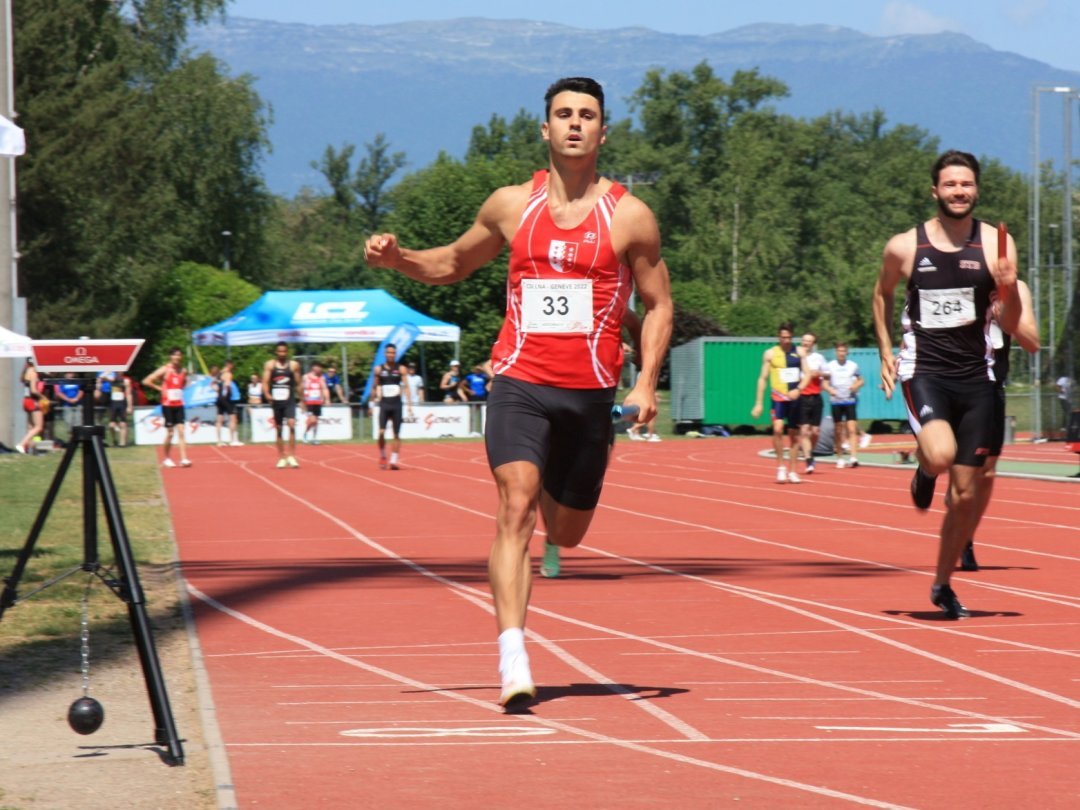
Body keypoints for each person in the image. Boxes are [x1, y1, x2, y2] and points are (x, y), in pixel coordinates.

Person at [364, 76, 673, 710]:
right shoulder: (510, 204)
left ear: (603, 131)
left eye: (588, 115)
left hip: (589, 395)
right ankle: (513, 654)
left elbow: (660, 304)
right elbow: (453, 262)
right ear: (545, 129)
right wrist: (399, 260)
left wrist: (644, 381)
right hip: (520, 381)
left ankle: (560, 529)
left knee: (567, 530)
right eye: (564, 114)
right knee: (516, 502)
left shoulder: (631, 215)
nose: (575, 124)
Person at [872, 149, 1021, 619]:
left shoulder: (998, 246)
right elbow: (881, 294)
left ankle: (941, 584)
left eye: (967, 184)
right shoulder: (905, 246)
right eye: (951, 184)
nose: (960, 192)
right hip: (926, 372)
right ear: (934, 190)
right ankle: (923, 467)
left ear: (977, 190)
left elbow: (1012, 322)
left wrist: (1010, 287)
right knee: (937, 454)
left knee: (964, 496)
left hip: (978, 378)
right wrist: (883, 350)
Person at [963, 279, 1039, 570]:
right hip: (954, 380)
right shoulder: (959, 276)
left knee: (987, 470)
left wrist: (1007, 317)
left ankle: (965, 539)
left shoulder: (1017, 289)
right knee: (950, 459)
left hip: (992, 385)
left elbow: (1032, 342)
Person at [751, 322, 809, 483]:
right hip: (778, 397)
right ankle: (780, 467)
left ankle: (792, 470)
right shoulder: (770, 354)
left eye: (789, 337)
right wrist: (758, 403)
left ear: (792, 337)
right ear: (779, 337)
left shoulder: (800, 352)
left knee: (793, 435)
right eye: (783, 337)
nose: (786, 340)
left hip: (794, 399)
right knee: (777, 429)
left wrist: (799, 388)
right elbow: (762, 378)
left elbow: (808, 374)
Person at [142, 347, 193, 468]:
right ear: (170, 356)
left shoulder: (183, 370)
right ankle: (167, 458)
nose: (177, 357)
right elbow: (146, 381)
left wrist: (179, 389)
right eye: (175, 355)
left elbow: (184, 383)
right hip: (168, 405)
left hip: (179, 404)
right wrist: (160, 389)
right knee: (170, 433)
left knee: (181, 431)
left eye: (179, 355)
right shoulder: (165, 369)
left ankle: (184, 459)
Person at [822, 342, 864, 468]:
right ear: (836, 352)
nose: (841, 353)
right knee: (838, 429)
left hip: (850, 400)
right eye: (839, 351)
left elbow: (861, 380)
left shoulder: (853, 366)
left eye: (843, 351)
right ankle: (839, 457)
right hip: (836, 401)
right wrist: (830, 390)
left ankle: (854, 457)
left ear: (847, 352)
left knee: (851, 428)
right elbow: (824, 383)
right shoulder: (830, 366)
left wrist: (855, 386)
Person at [372, 343, 413, 469]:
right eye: (389, 352)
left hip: (396, 404)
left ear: (396, 354)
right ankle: (383, 455)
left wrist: (409, 404)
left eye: (393, 353)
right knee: (381, 432)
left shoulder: (401, 369)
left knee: (396, 434)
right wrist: (371, 403)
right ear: (385, 354)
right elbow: (374, 386)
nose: (391, 355)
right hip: (384, 404)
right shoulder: (379, 369)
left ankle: (394, 460)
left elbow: (406, 387)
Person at [262, 341, 301, 468]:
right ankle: (282, 457)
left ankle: (292, 456)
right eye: (280, 351)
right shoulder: (270, 365)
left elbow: (299, 383)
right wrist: (267, 395)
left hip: (289, 400)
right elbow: (265, 382)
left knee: (291, 425)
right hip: (277, 401)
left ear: (287, 352)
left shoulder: (293, 365)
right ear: (276, 352)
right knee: (279, 429)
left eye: (284, 351)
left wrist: (302, 398)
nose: (282, 354)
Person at [795, 332, 826, 473]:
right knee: (804, 430)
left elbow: (827, 373)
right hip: (802, 396)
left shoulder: (818, 358)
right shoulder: (795, 356)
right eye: (804, 340)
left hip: (816, 396)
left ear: (813, 344)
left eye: (809, 341)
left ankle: (810, 452)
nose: (806, 343)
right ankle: (808, 459)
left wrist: (818, 373)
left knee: (815, 431)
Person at [16, 360, 46, 454]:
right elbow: (33, 390)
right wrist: (43, 397)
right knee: (38, 427)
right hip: (33, 401)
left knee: (31, 427)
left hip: (26, 400)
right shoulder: (33, 372)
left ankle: (30, 449)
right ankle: (21, 444)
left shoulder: (26, 371)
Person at [96, 370, 133, 448]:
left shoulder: (126, 381)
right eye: (116, 371)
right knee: (111, 425)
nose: (118, 373)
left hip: (122, 403)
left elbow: (129, 394)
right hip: (113, 403)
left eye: (120, 371)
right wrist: (109, 370)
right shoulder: (112, 380)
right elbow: (100, 378)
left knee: (123, 424)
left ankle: (122, 443)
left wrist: (129, 406)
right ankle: (114, 440)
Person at [301, 360, 332, 445]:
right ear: (313, 367)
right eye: (318, 367)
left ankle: (314, 437)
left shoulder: (322, 378)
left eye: (320, 367)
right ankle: (305, 434)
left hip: (317, 401)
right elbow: (301, 389)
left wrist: (327, 399)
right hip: (309, 402)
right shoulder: (306, 377)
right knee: (312, 420)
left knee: (316, 421)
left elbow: (325, 388)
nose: (320, 369)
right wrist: (302, 402)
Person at [214, 360, 243, 447]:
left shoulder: (219, 374)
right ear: (229, 365)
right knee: (233, 417)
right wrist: (227, 396)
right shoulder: (228, 374)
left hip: (219, 398)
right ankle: (232, 440)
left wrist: (218, 392)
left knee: (219, 418)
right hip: (226, 398)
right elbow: (227, 385)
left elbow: (213, 384)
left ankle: (219, 441)